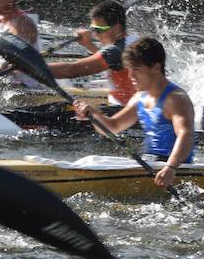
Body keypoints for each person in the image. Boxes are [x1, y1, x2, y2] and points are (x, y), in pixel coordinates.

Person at [74, 37, 194, 190]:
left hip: (175, 168)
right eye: (129, 69)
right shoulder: (139, 98)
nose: (130, 76)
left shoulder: (176, 98)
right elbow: (113, 126)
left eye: (136, 69)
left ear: (156, 68)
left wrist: (171, 167)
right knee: (90, 161)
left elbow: (186, 135)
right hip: (151, 164)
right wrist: (93, 114)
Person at [48, 0, 137, 105]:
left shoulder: (117, 51)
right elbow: (111, 62)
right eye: (93, 29)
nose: (95, 35)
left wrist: (32, 66)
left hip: (126, 113)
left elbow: (72, 70)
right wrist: (89, 45)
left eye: (99, 30)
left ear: (117, 28)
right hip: (125, 108)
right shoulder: (132, 41)